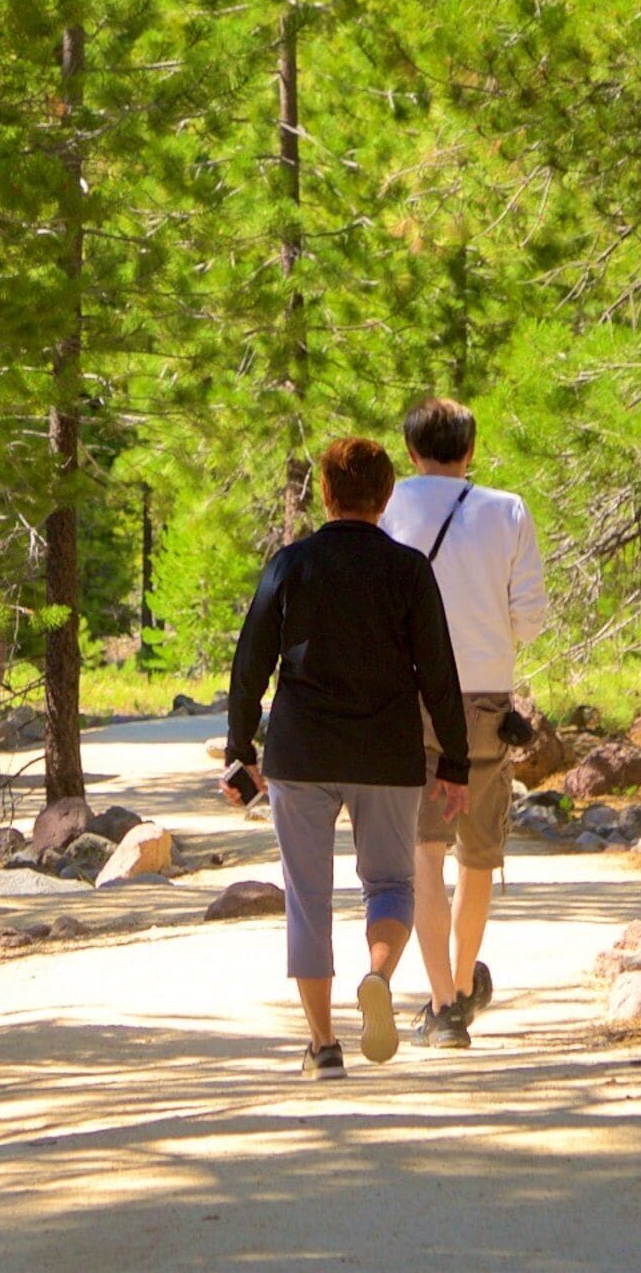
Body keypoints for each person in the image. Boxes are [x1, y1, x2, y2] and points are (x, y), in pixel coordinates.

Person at [223, 435, 473, 1079]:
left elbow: (251, 660)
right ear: (385, 498)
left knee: (308, 897)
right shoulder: (408, 570)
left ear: (327, 495)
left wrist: (237, 750)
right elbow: (440, 672)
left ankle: (323, 1046)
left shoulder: (290, 563)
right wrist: (455, 763)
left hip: (300, 751)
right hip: (386, 752)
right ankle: (378, 976)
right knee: (390, 885)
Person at [378, 396, 546, 1050]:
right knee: (478, 857)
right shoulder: (507, 510)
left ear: (411, 451)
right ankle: (457, 996)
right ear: (469, 451)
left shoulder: (389, 507)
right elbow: (529, 616)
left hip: (411, 700)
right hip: (485, 707)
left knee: (424, 855)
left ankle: (444, 1004)